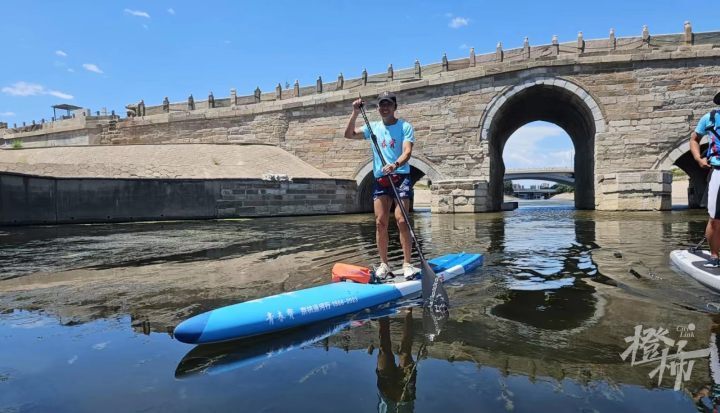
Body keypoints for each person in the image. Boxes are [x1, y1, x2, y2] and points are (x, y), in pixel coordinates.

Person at [345, 92, 419, 279]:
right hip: (380, 179)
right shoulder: (373, 127)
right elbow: (349, 134)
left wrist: (395, 164)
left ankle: (407, 263)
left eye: (388, 104)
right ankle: (384, 264)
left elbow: (407, 152)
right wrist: (354, 112)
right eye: (381, 105)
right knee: (380, 222)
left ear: (395, 107)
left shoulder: (405, 127)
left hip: (400, 176)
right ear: (378, 108)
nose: (385, 108)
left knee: (402, 220)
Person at [690, 91, 720, 267]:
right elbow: (694, 139)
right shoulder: (709, 118)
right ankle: (715, 256)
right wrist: (697, 158)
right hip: (718, 170)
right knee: (715, 218)